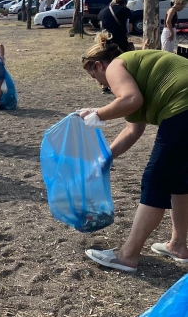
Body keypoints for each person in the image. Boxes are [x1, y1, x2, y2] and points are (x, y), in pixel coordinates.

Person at [80, 31, 188, 272]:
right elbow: (132, 131)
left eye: (95, 75)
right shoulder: (137, 73)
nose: (100, 83)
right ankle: (178, 246)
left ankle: (127, 255)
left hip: (183, 106)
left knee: (155, 180)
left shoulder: (116, 65)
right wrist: (103, 159)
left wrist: (97, 113)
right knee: (178, 181)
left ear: (99, 65)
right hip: (183, 107)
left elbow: (131, 99)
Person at [98, 0, 133, 94]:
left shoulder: (104, 10)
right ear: (125, 3)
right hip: (119, 39)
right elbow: (129, 26)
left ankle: (104, 86)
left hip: (105, 39)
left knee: (106, 61)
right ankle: (121, 84)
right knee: (122, 61)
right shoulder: (125, 10)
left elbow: (101, 25)